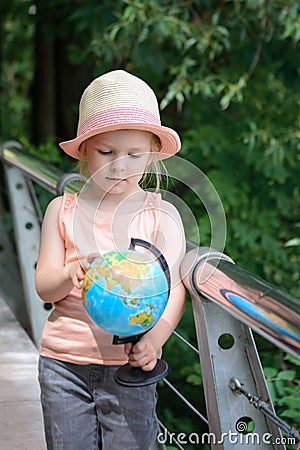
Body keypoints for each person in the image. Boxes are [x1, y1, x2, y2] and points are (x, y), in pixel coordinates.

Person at [35, 69, 186, 450]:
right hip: (63, 366)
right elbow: (44, 285)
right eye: (106, 152)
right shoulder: (61, 211)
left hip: (130, 367)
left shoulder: (161, 216)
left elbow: (175, 287)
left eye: (134, 154)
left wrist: (155, 338)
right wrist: (70, 273)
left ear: (152, 155)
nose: (119, 166)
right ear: (83, 151)